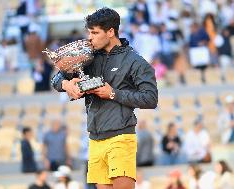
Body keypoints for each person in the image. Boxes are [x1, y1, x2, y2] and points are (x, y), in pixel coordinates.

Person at [52, 7, 158, 189]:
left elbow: (150, 99)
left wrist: (113, 93)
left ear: (110, 32)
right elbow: (57, 78)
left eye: (95, 32)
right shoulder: (87, 57)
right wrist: (67, 85)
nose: (90, 37)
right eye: (89, 32)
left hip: (121, 137)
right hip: (95, 139)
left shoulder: (135, 61)